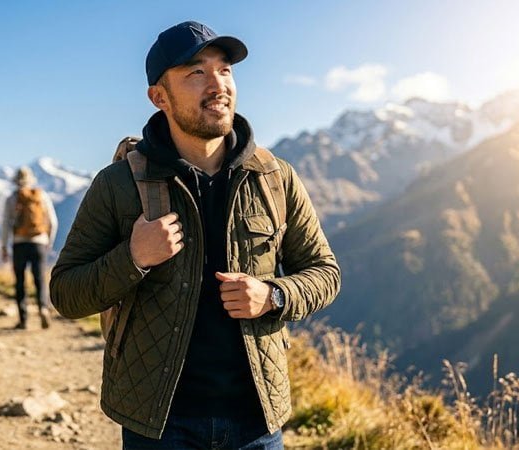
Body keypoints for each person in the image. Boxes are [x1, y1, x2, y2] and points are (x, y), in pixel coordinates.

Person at [50, 20, 341, 449]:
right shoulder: (117, 185)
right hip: (160, 426)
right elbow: (66, 292)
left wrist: (273, 296)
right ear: (159, 97)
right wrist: (132, 258)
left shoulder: (275, 178)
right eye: (195, 73)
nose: (217, 84)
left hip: (257, 423)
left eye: (224, 70)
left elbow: (325, 272)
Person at [1, 167, 58, 330]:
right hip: (39, 242)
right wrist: (48, 241)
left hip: (19, 243)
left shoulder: (12, 198)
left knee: (20, 281)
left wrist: (4, 245)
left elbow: (6, 223)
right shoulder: (41, 196)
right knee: (39, 279)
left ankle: (23, 319)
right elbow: (52, 222)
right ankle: (43, 308)